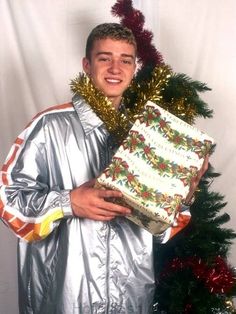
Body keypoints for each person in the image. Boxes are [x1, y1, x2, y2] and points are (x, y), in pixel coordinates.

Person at [0, 23, 208, 314]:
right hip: (64, 299)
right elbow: (8, 202)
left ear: (135, 68)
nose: (115, 68)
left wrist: (182, 195)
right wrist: (68, 202)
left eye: (125, 60)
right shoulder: (48, 127)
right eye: (104, 58)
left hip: (131, 296)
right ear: (87, 65)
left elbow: (163, 229)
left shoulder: (152, 135)